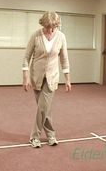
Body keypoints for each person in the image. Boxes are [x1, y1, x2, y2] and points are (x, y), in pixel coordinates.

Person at [22, 11, 71, 148]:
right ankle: (51, 135)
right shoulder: (36, 36)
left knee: (43, 107)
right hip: (36, 77)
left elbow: (64, 58)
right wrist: (25, 77)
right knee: (44, 109)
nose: (50, 30)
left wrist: (67, 79)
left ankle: (35, 136)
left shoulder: (61, 37)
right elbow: (27, 57)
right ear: (43, 24)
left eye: (53, 27)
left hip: (52, 77)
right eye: (47, 27)